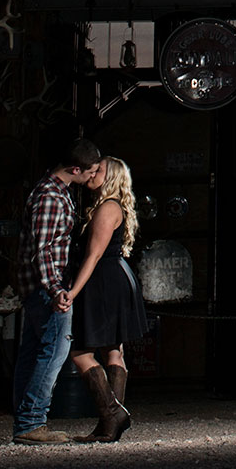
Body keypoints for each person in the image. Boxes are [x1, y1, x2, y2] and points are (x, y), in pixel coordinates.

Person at [10, 138, 102, 445]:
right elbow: (44, 250)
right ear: (75, 168)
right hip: (46, 289)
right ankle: (31, 422)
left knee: (33, 353)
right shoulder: (50, 197)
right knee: (53, 353)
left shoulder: (59, 192)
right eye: (89, 171)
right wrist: (56, 290)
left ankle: (25, 422)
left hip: (40, 287)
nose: (92, 176)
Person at [60, 156, 149, 442]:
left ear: (111, 178)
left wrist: (72, 292)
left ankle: (112, 414)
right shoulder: (109, 206)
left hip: (105, 282)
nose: (93, 173)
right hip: (114, 279)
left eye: (99, 170)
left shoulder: (107, 208)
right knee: (113, 350)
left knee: (81, 353)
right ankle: (110, 424)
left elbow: (94, 255)